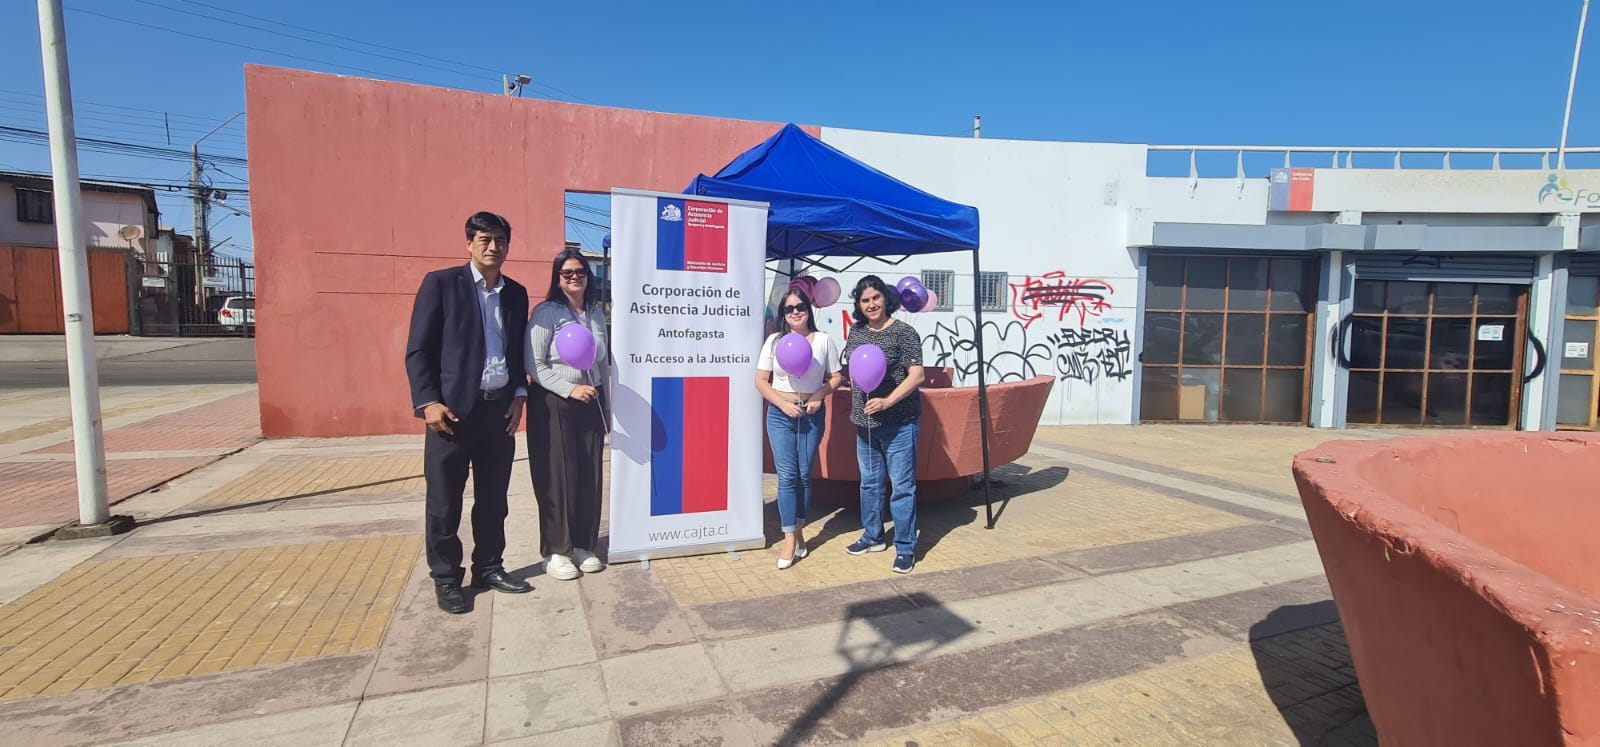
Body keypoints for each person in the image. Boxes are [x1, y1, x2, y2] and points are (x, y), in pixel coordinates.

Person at [405, 211, 534, 614]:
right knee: (445, 502)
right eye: (484, 239)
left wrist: (519, 395)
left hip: (498, 415)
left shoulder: (516, 293)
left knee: (494, 500)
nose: (493, 247)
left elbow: (516, 351)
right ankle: (446, 577)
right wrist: (428, 402)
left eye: (500, 240)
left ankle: (488, 567)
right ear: (469, 244)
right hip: (452, 415)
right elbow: (418, 350)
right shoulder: (442, 284)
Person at [526, 248, 610, 581]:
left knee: (589, 475)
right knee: (557, 477)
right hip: (554, 402)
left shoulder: (596, 314)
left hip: (592, 400)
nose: (575, 277)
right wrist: (569, 389)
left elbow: (602, 363)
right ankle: (556, 551)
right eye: (567, 273)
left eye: (580, 272)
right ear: (557, 278)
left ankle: (583, 545)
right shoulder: (546, 312)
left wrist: (608, 404)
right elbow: (534, 364)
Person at [839, 275, 925, 574]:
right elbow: (854, 370)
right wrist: (856, 400)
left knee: (901, 488)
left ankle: (905, 547)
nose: (871, 304)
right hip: (865, 425)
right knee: (869, 484)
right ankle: (873, 536)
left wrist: (888, 401)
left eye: (875, 298)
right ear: (859, 305)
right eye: (865, 300)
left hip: (900, 423)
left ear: (886, 299)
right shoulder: (856, 331)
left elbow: (917, 375)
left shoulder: (904, 332)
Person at [754, 287, 843, 570]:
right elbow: (760, 381)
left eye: (800, 307)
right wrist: (782, 404)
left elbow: (836, 376)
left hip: (811, 415)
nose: (795, 312)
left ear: (808, 310)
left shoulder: (824, 341)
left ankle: (799, 531)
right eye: (789, 308)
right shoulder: (774, 341)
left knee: (804, 476)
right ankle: (790, 539)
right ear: (783, 313)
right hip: (780, 415)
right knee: (787, 477)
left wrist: (818, 396)